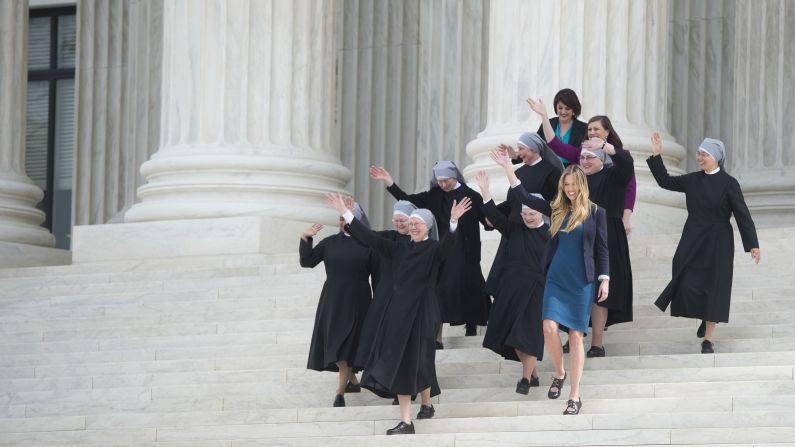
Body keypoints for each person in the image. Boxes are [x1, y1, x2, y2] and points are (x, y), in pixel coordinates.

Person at [326, 192, 472, 435]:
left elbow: (448, 245)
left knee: (421, 360)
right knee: (404, 361)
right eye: (411, 223)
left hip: (424, 312)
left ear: (428, 228)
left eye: (418, 224)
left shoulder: (434, 249)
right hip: (399, 312)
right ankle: (407, 419)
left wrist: (454, 221)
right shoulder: (398, 248)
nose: (413, 227)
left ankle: (424, 404)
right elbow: (368, 237)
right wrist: (346, 213)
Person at [529, 99, 635, 357]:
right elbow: (556, 148)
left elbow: (628, 167)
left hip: (607, 236)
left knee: (601, 291)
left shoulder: (613, 175)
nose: (585, 160)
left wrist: (606, 147)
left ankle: (597, 343)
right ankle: (575, 334)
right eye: (583, 157)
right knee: (574, 286)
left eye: (590, 156)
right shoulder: (576, 182)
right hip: (577, 237)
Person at [647, 132, 761, 353]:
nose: (699, 158)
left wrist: (753, 244)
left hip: (719, 240)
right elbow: (665, 182)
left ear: (717, 157)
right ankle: (703, 313)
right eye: (698, 153)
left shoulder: (729, 183)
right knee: (683, 273)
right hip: (693, 236)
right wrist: (657, 155)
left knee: (714, 286)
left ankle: (708, 339)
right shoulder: (692, 180)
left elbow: (742, 214)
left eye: (704, 154)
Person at [370, 161, 490, 341]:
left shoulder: (470, 195)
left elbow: (486, 220)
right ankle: (437, 337)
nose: (442, 184)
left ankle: (471, 325)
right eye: (439, 181)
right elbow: (409, 200)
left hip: (466, 252)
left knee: (470, 287)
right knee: (439, 291)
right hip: (442, 250)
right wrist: (389, 182)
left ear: (454, 176)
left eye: (446, 180)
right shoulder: (434, 195)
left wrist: (490, 212)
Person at [477, 148, 551, 395]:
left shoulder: (551, 234)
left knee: (525, 335)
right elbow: (495, 219)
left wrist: (509, 169)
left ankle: (525, 380)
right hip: (511, 288)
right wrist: (486, 193)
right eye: (525, 214)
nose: (528, 217)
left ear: (541, 212)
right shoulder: (515, 229)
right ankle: (534, 373)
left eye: (532, 213)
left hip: (535, 290)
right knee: (512, 335)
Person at [541, 164, 609, 415]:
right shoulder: (557, 210)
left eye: (573, 184)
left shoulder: (595, 212)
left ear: (582, 184)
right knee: (549, 328)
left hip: (582, 281)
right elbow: (524, 197)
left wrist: (605, 279)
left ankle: (574, 395)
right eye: (565, 184)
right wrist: (507, 168)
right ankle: (560, 372)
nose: (569, 189)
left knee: (576, 336)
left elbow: (602, 248)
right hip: (556, 278)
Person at [299, 203, 376, 407]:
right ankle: (352, 381)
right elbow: (307, 261)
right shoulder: (330, 242)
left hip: (358, 300)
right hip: (332, 300)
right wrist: (305, 238)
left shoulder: (370, 244)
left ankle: (339, 393)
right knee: (337, 344)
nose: (343, 223)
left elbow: (378, 276)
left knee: (346, 345)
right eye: (341, 219)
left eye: (348, 218)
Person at [352, 200, 414, 372]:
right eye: (396, 220)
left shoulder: (419, 242)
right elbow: (366, 235)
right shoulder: (388, 236)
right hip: (386, 296)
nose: (399, 224)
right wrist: (354, 215)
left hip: (408, 298)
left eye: (403, 220)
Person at [515, 88, 587, 168]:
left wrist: (544, 115)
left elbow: (581, 156)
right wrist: (515, 156)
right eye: (560, 108)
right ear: (556, 107)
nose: (563, 112)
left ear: (574, 109)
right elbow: (535, 148)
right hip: (548, 171)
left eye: (567, 108)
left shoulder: (584, 128)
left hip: (571, 172)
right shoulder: (548, 124)